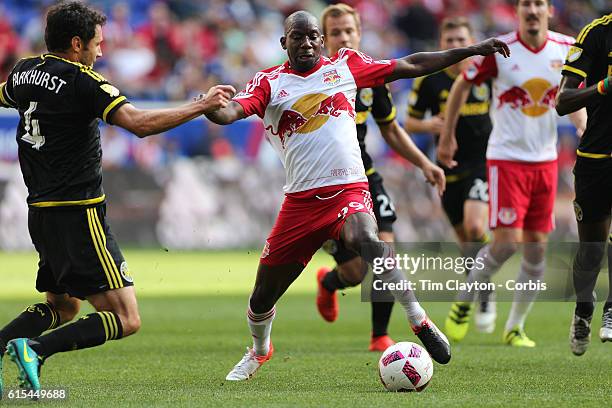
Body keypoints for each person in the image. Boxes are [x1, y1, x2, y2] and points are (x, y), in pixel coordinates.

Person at [203, 10, 510, 380]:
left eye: (313, 36)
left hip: (349, 188)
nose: (306, 43)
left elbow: (411, 63)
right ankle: (259, 350)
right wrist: (210, 107)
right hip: (300, 203)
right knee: (260, 299)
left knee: (370, 239)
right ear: (284, 43)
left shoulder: (346, 66)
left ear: (321, 40)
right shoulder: (269, 82)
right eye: (297, 37)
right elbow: (232, 112)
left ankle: (418, 320)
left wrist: (473, 50)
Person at [0, 1, 234, 395]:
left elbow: (5, 97)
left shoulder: (23, 71)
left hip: (39, 212)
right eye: (97, 43)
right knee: (126, 318)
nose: (101, 51)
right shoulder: (85, 81)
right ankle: (35, 350)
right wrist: (201, 105)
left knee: (64, 307)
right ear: (77, 44)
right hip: (80, 214)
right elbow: (138, 124)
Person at [443, 0, 587, 347]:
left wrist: (583, 129)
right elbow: (463, 83)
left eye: (538, 3)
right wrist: (447, 135)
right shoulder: (502, 50)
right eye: (526, 4)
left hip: (545, 161)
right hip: (506, 159)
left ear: (549, 10)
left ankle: (515, 327)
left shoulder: (566, 48)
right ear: (518, 11)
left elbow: (573, 97)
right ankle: (465, 300)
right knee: (507, 244)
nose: (532, 10)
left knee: (537, 249)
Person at [314, 3, 446, 352]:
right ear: (324, 40)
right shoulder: (313, 78)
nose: (344, 37)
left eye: (349, 31)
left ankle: (379, 336)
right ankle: (330, 283)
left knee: (384, 250)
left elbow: (391, 129)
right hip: (326, 183)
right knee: (356, 273)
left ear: (359, 33)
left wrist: (424, 164)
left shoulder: (371, 76)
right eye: (336, 33)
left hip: (365, 176)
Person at [406, 16, 495, 334]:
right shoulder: (429, 80)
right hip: (447, 168)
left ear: (471, 42)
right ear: (442, 45)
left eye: (462, 40)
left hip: (482, 161)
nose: (456, 46)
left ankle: (482, 293)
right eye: (450, 41)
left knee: (475, 226)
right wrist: (430, 125)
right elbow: (410, 122)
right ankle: (484, 290)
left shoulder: (485, 74)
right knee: (465, 242)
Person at [556, 13, 612, 355]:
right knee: (590, 253)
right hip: (595, 159)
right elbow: (562, 103)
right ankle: (584, 308)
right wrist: (604, 87)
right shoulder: (595, 34)